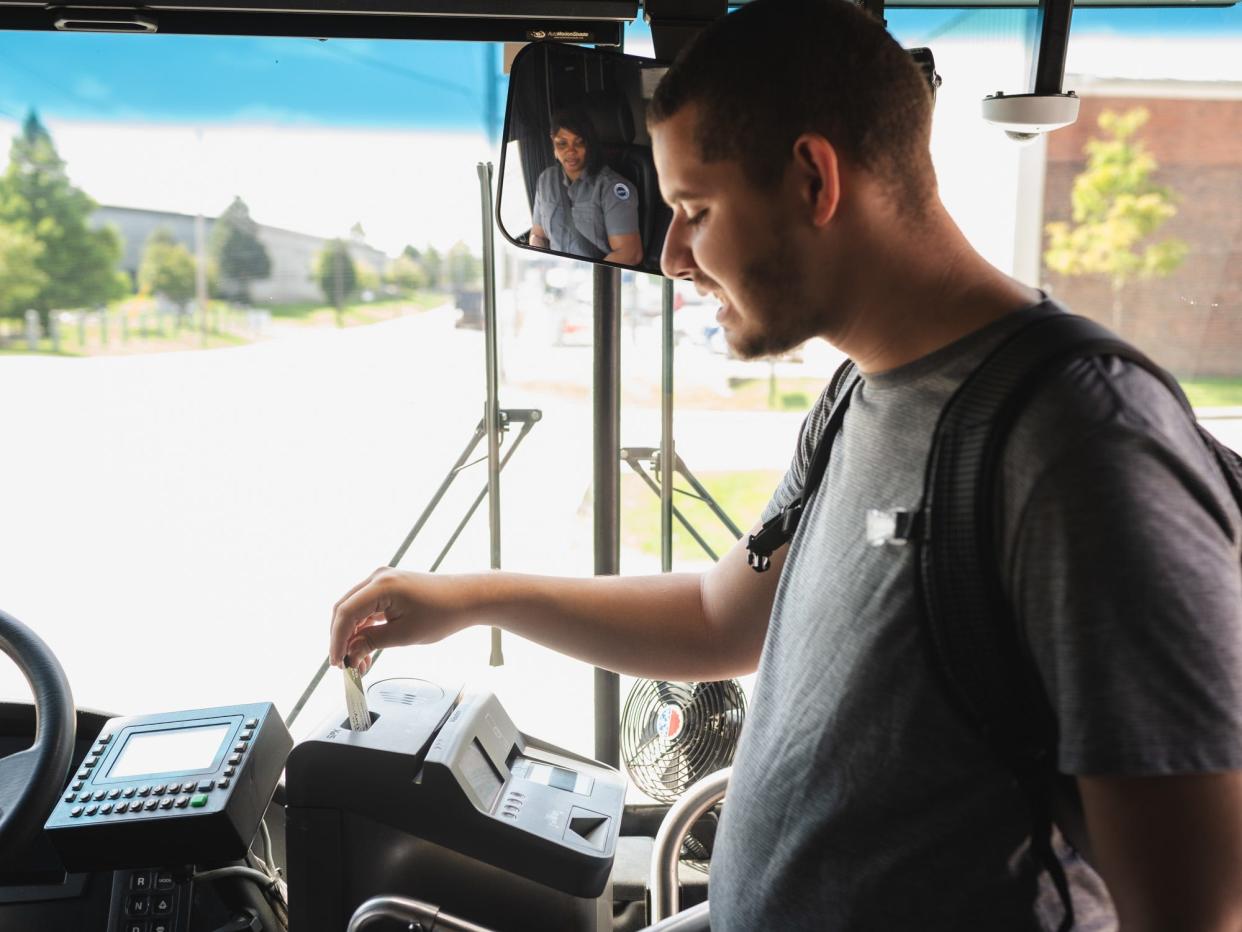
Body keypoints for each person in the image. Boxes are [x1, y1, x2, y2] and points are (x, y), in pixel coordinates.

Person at [330, 1, 1242, 929]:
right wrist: (470, 599)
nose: (674, 254)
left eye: (694, 209)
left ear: (813, 178)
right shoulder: (858, 394)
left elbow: (1192, 908)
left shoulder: (1078, 447)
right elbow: (718, 616)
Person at [529, 108, 643, 265]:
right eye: (562, 144)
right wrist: (540, 260)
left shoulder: (612, 188)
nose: (571, 151)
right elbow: (538, 235)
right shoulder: (545, 180)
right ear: (553, 143)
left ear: (589, 143)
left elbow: (630, 253)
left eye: (579, 142)